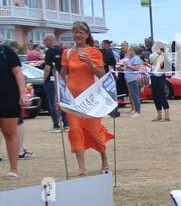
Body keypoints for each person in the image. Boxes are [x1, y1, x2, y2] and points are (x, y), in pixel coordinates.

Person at [61, 22, 114, 176]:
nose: (78, 35)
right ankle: (82, 167)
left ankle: (103, 155)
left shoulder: (95, 52)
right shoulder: (68, 53)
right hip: (72, 100)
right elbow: (63, 73)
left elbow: (102, 76)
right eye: (75, 32)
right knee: (75, 130)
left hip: (90, 98)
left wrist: (90, 63)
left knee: (94, 131)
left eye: (81, 32)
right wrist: (61, 94)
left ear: (87, 35)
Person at [1, 40, 28, 179]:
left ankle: (13, 168)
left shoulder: (6, 52)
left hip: (8, 97)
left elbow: (18, 73)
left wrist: (23, 93)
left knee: (10, 133)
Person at [42, 34, 68, 132]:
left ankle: (56, 125)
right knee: (63, 101)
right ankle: (66, 124)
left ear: (49, 40)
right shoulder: (63, 51)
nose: (44, 43)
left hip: (52, 79)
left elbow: (47, 68)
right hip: (62, 78)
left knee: (52, 102)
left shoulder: (49, 52)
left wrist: (44, 79)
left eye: (45, 41)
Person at [120, 42, 144, 116]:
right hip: (129, 79)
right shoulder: (131, 59)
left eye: (130, 50)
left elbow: (136, 68)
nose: (129, 51)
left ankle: (138, 111)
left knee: (135, 95)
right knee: (133, 95)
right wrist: (123, 67)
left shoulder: (136, 58)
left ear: (133, 51)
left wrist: (128, 65)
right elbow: (128, 68)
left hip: (133, 79)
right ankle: (135, 110)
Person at [149, 42, 171, 122]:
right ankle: (159, 115)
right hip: (154, 77)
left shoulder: (162, 56)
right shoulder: (156, 55)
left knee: (162, 96)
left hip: (160, 77)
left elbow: (160, 66)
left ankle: (167, 116)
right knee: (155, 96)